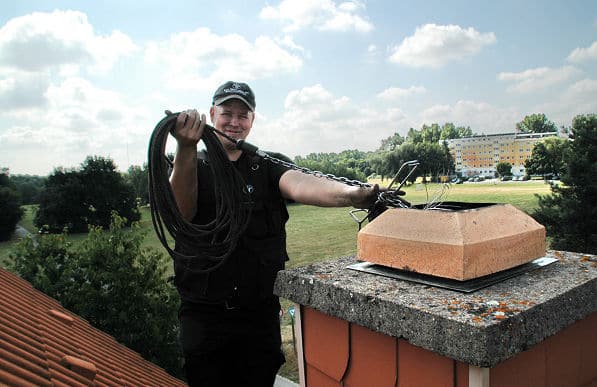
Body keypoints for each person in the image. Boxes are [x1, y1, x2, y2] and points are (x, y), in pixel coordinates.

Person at [169, 81, 378, 387]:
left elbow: (301, 184)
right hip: (204, 316)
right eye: (227, 113)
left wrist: (350, 194)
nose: (234, 122)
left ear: (252, 121)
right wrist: (185, 147)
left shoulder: (266, 164)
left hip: (258, 315)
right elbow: (181, 212)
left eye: (243, 115)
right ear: (212, 114)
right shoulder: (191, 163)